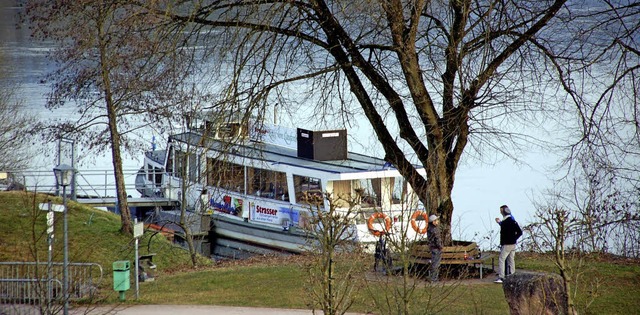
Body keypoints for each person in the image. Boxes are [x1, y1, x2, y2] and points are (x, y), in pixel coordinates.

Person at [494, 205, 523, 283]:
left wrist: (499, 222)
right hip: (513, 244)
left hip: (507, 244)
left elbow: (503, 226)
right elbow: (520, 232)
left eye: (501, 211)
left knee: (501, 259)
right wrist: (514, 238)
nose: (500, 212)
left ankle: (501, 277)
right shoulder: (513, 221)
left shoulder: (505, 222)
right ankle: (512, 275)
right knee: (511, 260)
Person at [427, 214, 443, 282]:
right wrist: (440, 246)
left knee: (434, 263)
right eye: (436, 220)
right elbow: (437, 239)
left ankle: (432, 277)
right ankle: (434, 278)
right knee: (436, 264)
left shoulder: (429, 228)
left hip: (432, 248)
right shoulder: (435, 230)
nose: (438, 221)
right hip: (436, 248)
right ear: (433, 222)